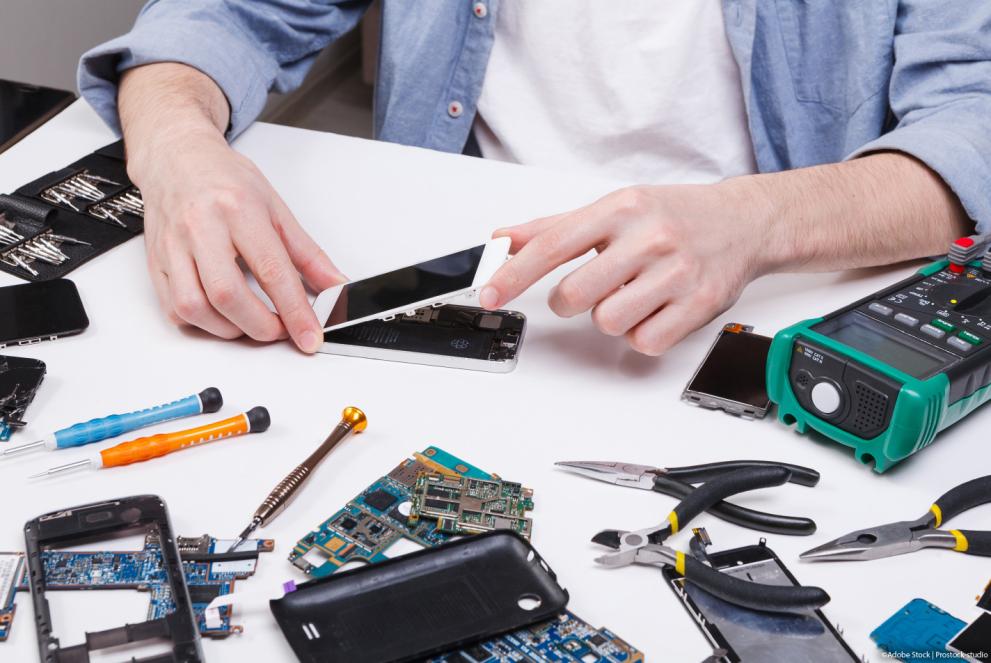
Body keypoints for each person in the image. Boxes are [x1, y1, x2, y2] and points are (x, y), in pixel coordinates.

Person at [78, 1, 989, 356]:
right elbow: (225, 15)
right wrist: (176, 150)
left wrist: (758, 221)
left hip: (769, 300)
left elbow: (972, 123)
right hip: (461, 281)